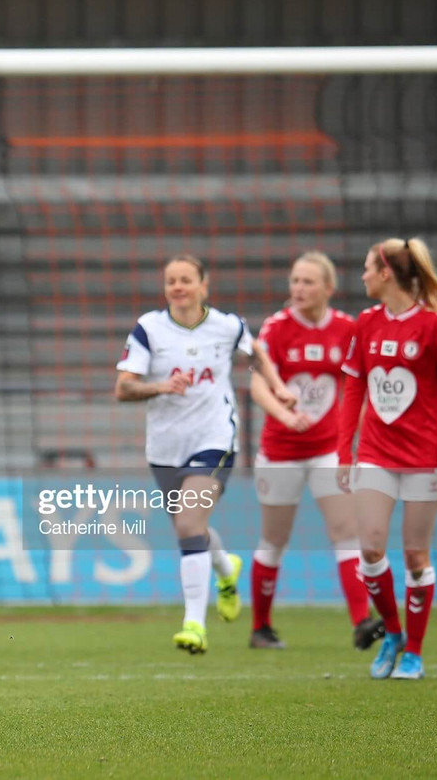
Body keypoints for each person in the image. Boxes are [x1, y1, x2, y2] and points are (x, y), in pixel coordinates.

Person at [114, 254, 295, 655]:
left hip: (214, 439)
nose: (178, 287)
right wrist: (161, 387)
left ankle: (194, 625)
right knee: (188, 526)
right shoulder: (149, 328)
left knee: (188, 524)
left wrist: (278, 386)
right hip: (164, 446)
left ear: (203, 285)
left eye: (185, 280)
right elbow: (123, 388)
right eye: (171, 281)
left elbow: (257, 350)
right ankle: (226, 568)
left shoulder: (227, 326)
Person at [336, 238, 437, 681]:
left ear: (386, 273)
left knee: (416, 557)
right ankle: (392, 633)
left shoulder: (435, 327)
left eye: (366, 268)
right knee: (370, 546)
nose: (362, 277)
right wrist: (344, 450)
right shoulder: (366, 323)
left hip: (424, 460)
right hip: (376, 453)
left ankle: (414, 650)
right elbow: (354, 387)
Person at [249, 252, 383, 650]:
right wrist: (284, 416)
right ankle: (261, 628)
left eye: (308, 282)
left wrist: (356, 434)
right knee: (274, 540)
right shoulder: (276, 328)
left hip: (327, 450)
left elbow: (357, 389)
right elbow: (257, 384)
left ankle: (362, 622)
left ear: (329, 287)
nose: (299, 289)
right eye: (294, 281)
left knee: (346, 534)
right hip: (280, 450)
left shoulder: (346, 329)